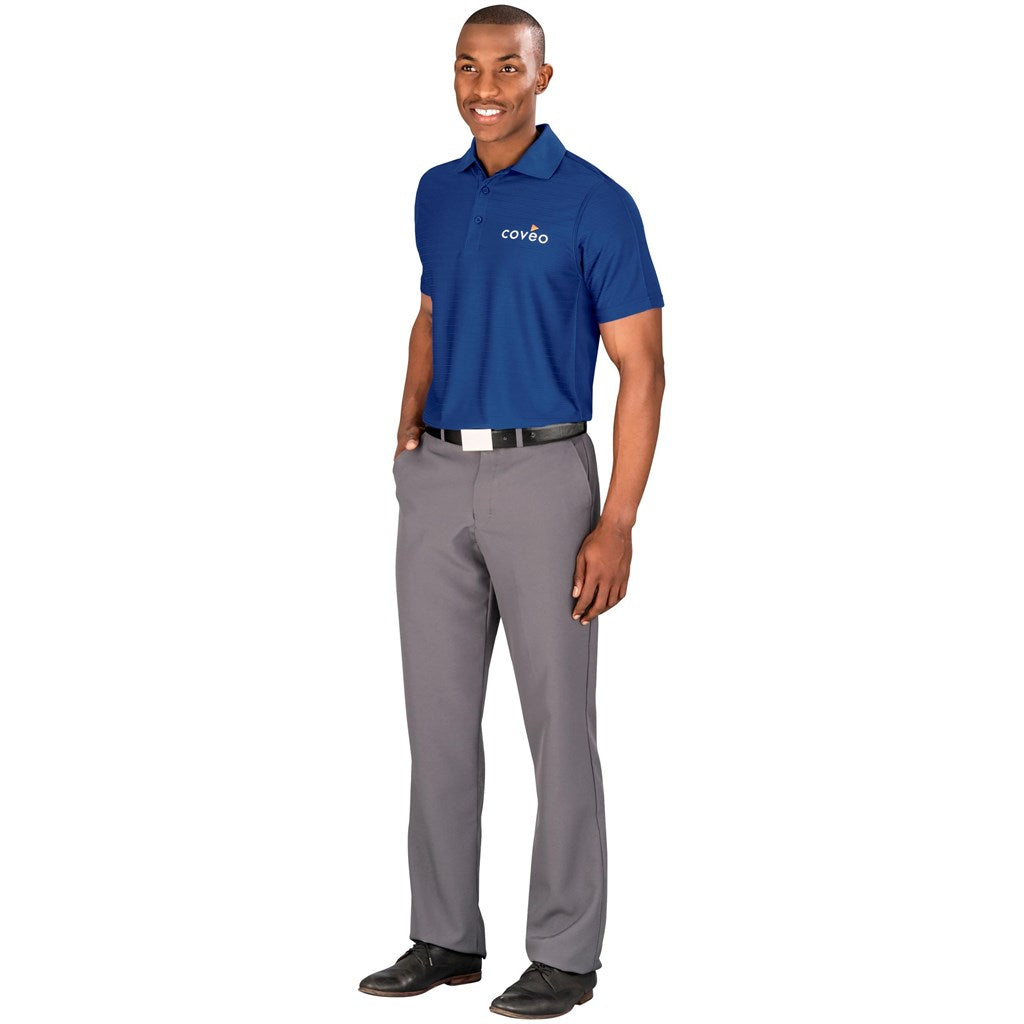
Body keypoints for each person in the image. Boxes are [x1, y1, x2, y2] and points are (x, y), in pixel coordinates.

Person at [358, 5, 666, 1018]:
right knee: (437, 720)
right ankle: (445, 934)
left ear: (542, 76)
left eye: (505, 67)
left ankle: (566, 953)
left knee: (558, 724)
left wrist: (617, 521)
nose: (483, 87)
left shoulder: (595, 203)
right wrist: (406, 425)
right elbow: (432, 312)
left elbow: (642, 367)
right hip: (439, 478)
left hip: (545, 479)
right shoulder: (436, 192)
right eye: (466, 68)